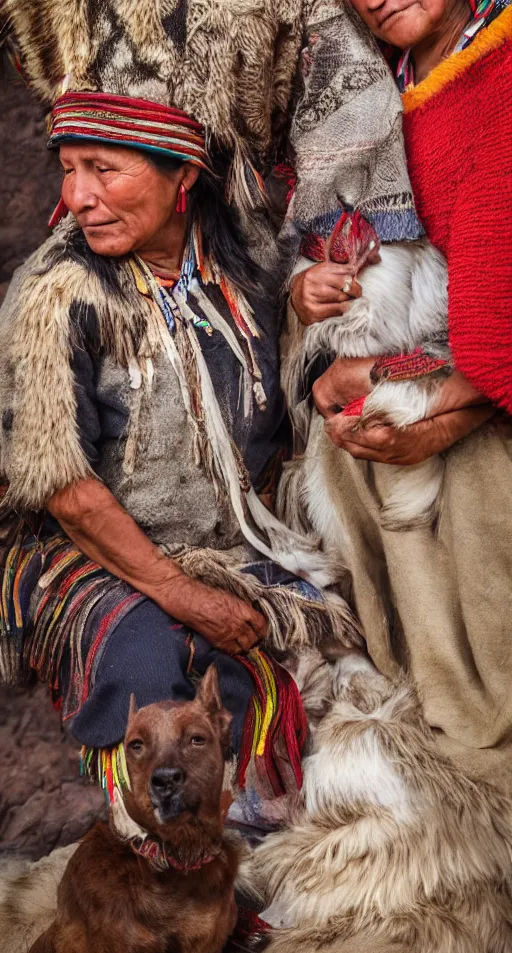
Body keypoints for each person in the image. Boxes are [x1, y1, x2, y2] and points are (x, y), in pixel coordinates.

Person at [0, 0, 357, 824]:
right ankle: (170, 848)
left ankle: (281, 830)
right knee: (151, 655)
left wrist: (307, 308)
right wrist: (180, 593)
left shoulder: (253, 258)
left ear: (181, 176)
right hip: (88, 547)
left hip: (230, 535)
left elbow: (288, 380)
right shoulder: (58, 294)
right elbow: (68, 492)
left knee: (325, 651)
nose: (80, 196)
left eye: (105, 169)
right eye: (68, 169)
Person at [288, 0, 512, 792]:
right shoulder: (364, 90)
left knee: (481, 501)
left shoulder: (503, 66)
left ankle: (482, 744)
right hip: (433, 364)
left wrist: (421, 399)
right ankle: (430, 733)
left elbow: (497, 314)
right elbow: (330, 239)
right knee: (351, 460)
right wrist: (311, 294)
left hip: (491, 410)